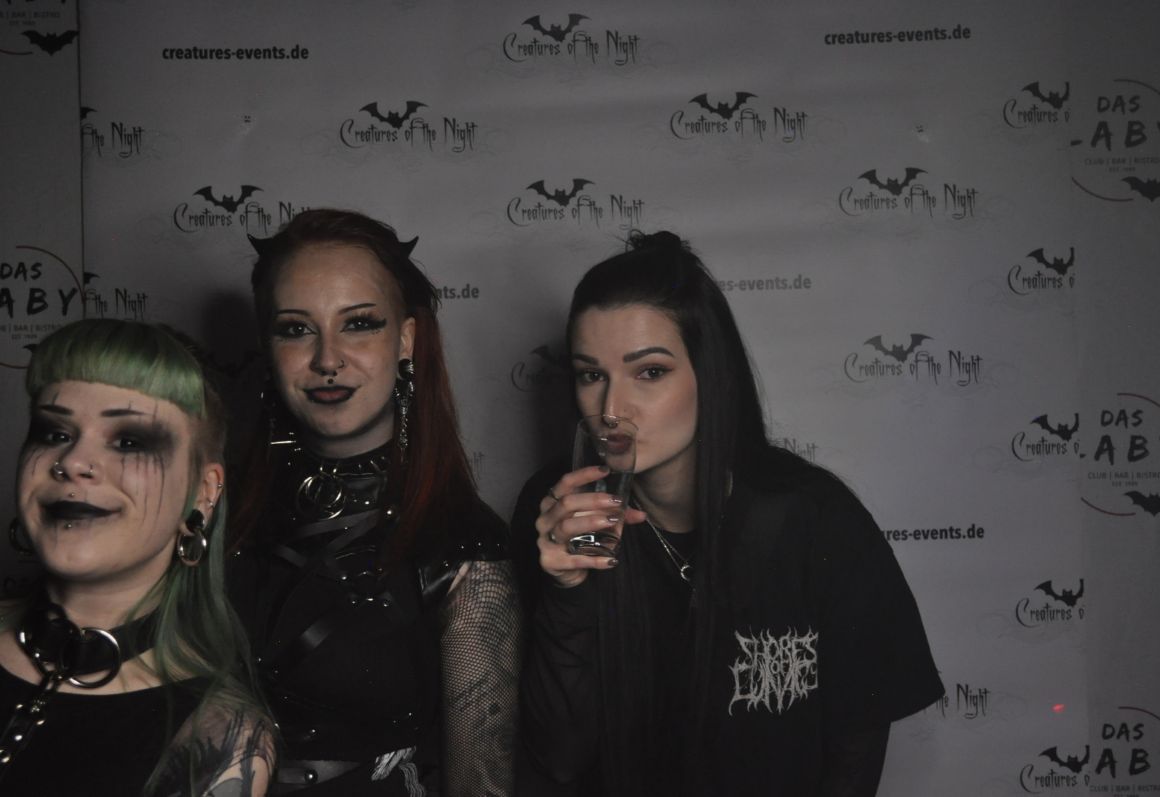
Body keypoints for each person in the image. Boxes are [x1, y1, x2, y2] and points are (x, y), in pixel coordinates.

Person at [512, 231, 944, 796]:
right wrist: (567, 593)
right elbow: (560, 759)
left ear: (710, 374)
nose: (612, 410)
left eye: (650, 372)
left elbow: (855, 754)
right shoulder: (560, 514)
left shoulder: (817, 520)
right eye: (591, 375)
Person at [229, 209, 519, 795]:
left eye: (359, 324)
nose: (327, 359)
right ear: (268, 345)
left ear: (406, 340)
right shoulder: (213, 514)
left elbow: (480, 784)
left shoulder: (464, 545)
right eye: (296, 329)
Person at [0, 319, 275, 796]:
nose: (73, 462)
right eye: (54, 432)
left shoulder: (218, 741)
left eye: (129, 441)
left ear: (203, 493)